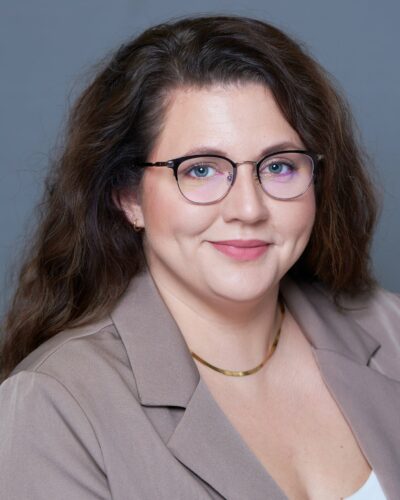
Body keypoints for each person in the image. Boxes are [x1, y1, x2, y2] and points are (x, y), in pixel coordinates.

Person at [0, 14, 399, 500]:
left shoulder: (390, 328)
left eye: (278, 166)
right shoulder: (55, 404)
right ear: (128, 196)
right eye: (202, 170)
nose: (248, 209)